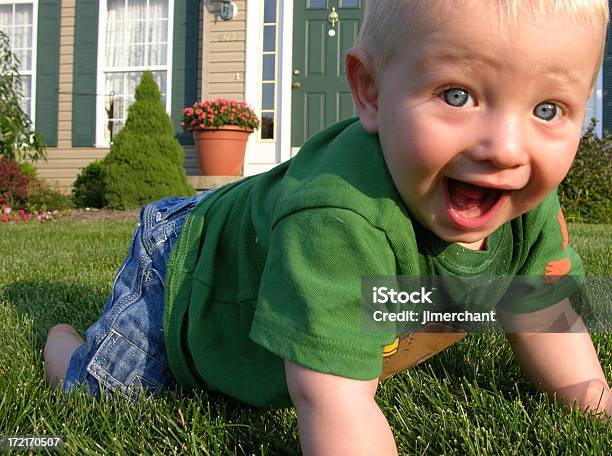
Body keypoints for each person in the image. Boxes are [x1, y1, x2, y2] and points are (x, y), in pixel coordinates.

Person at [45, 0, 611, 454]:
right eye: (457, 96)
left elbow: (543, 315)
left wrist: (594, 406)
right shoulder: (338, 215)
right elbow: (333, 401)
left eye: (547, 110)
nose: (505, 149)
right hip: (189, 264)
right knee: (105, 395)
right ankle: (62, 343)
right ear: (369, 92)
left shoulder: (526, 200)